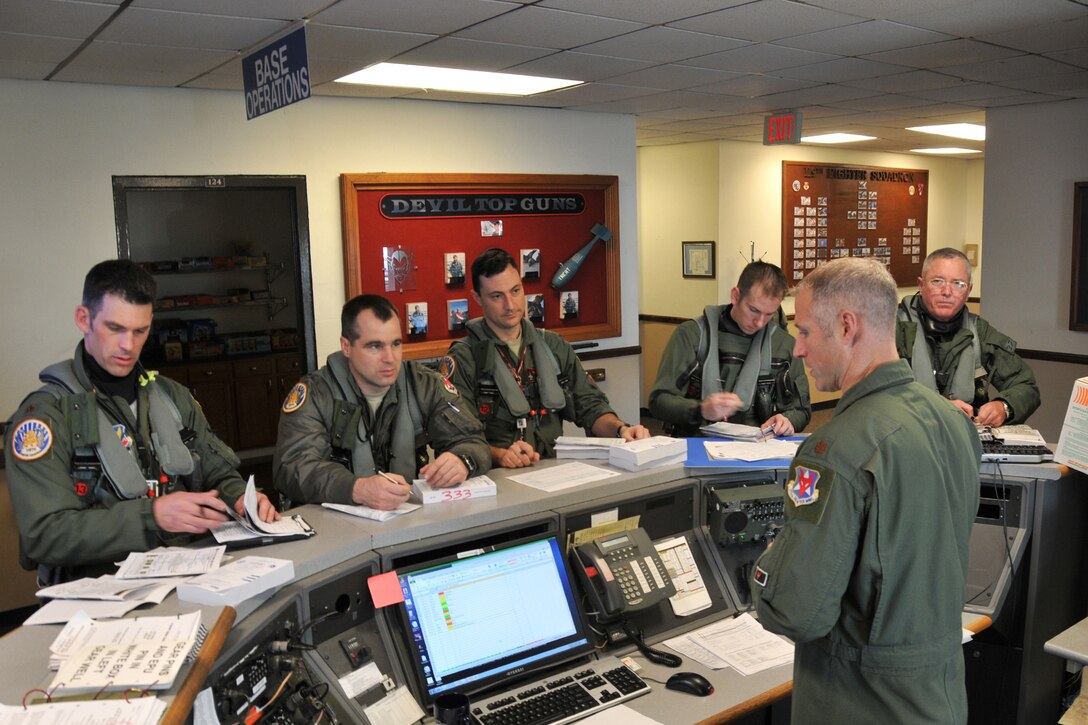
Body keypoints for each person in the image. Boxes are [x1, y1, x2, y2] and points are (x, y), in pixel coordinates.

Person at [751, 258, 980, 724]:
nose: (798, 350)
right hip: (939, 696)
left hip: (860, 700)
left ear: (847, 326)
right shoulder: (952, 421)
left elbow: (799, 611)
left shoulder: (835, 448)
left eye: (806, 332)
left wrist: (770, 561)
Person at [5, 260, 279, 586]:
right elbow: (44, 536)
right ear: (84, 319)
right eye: (115, 328)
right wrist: (153, 517)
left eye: (140, 331)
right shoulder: (44, 417)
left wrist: (240, 499)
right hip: (94, 591)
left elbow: (218, 472)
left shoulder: (173, 397)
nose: (129, 346)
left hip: (188, 574)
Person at [274, 294, 490, 510]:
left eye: (395, 344)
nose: (390, 358)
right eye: (375, 346)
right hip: (336, 527)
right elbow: (292, 468)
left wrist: (464, 460)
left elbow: (472, 438)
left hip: (408, 519)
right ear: (346, 346)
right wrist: (356, 489)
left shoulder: (423, 384)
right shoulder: (317, 395)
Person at [445, 248, 649, 468]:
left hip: (552, 469)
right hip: (498, 476)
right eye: (497, 296)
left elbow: (590, 406)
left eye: (515, 291)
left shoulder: (553, 346)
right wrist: (499, 454)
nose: (510, 305)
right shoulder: (465, 358)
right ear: (477, 298)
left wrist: (621, 430)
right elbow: (457, 436)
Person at [649, 261, 811, 436]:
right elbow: (658, 402)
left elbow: (801, 410)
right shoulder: (692, 335)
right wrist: (700, 409)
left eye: (769, 314)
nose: (759, 322)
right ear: (735, 296)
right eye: (754, 310)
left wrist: (787, 420)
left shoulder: (784, 345)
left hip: (758, 451)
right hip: (696, 446)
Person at [896, 247, 1040, 426]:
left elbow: (1026, 386)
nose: (947, 292)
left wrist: (1004, 407)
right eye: (937, 281)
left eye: (958, 284)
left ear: (969, 290)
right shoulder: (891, 329)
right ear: (921, 284)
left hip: (966, 436)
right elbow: (870, 396)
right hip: (907, 435)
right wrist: (938, 409)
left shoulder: (979, 331)